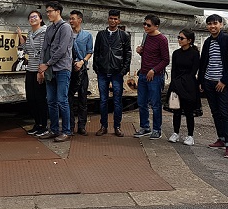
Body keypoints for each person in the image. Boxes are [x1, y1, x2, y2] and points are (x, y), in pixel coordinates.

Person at [199, 14, 228, 159]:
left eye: (215, 23)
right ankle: (221, 138)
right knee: (215, 112)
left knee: (225, 113)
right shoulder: (208, 42)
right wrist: (201, 81)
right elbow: (203, 62)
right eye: (209, 24)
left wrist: (224, 81)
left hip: (222, 83)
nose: (212, 26)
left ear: (221, 25)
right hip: (209, 81)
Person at [93, 9, 132, 137]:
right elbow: (96, 51)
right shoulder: (101, 34)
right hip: (103, 72)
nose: (113, 21)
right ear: (108, 19)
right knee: (103, 100)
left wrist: (123, 70)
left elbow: (128, 54)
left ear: (119, 20)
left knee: (117, 100)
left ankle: (117, 126)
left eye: (116, 19)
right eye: (111, 18)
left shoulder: (124, 35)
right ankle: (103, 126)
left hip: (117, 72)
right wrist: (96, 67)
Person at [38, 1, 73, 142]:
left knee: (62, 101)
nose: (48, 14)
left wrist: (47, 64)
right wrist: (41, 66)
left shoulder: (65, 28)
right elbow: (44, 48)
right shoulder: (49, 29)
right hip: (50, 69)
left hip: (62, 68)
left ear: (58, 11)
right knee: (51, 100)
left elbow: (62, 50)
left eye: (50, 11)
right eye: (47, 11)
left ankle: (66, 131)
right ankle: (53, 129)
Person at [134, 14, 170, 139]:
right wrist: (140, 52)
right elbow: (147, 55)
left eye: (148, 25)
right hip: (143, 74)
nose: (145, 27)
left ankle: (157, 129)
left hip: (155, 76)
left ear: (156, 26)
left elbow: (166, 60)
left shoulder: (162, 39)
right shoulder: (146, 36)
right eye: (144, 24)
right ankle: (145, 127)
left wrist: (154, 70)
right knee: (141, 102)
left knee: (155, 104)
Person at [16, 10, 48, 135]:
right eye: (30, 17)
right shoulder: (30, 33)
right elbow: (27, 50)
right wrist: (20, 35)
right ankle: (37, 123)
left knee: (40, 99)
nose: (32, 19)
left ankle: (44, 125)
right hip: (30, 68)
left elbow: (43, 52)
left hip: (39, 70)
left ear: (40, 19)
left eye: (35, 17)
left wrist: (41, 71)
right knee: (31, 98)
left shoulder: (44, 32)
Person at [167, 28, 200, 146]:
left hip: (189, 84)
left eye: (182, 38)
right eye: (178, 38)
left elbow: (193, 71)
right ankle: (175, 132)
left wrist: (184, 81)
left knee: (189, 111)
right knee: (176, 110)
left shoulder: (195, 53)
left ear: (189, 40)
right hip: (176, 83)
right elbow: (173, 69)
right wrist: (174, 83)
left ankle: (190, 135)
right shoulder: (176, 53)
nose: (179, 40)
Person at [68, 10, 93, 135]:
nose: (71, 21)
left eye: (73, 18)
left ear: (80, 20)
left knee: (83, 99)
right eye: (70, 19)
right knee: (69, 99)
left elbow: (90, 51)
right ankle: (70, 125)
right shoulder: (66, 34)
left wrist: (82, 62)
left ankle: (82, 126)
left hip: (82, 70)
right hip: (69, 70)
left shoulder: (87, 36)